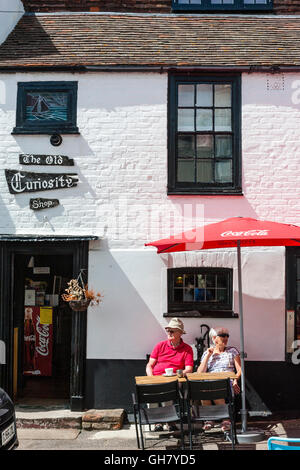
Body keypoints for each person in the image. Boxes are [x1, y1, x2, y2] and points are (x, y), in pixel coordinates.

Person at [146, 317, 194, 432]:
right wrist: (151, 378)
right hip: (156, 378)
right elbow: (150, 365)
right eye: (168, 331)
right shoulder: (160, 346)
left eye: (172, 331)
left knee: (167, 389)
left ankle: (169, 420)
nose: (169, 333)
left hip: (174, 380)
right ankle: (158, 421)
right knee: (149, 391)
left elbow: (189, 369)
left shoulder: (187, 349)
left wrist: (178, 374)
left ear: (180, 333)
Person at [197, 326, 241, 432]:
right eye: (222, 336)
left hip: (226, 381)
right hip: (210, 381)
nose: (225, 338)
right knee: (204, 389)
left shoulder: (232, 351)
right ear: (214, 338)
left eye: (227, 336)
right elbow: (200, 373)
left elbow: (240, 370)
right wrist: (208, 355)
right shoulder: (207, 353)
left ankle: (225, 419)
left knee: (216, 388)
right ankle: (210, 419)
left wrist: (235, 381)